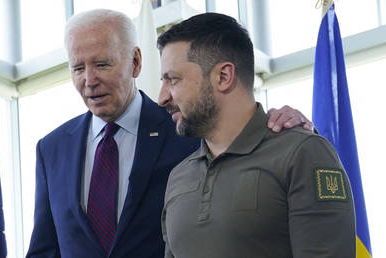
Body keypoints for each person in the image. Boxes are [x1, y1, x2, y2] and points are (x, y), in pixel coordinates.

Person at [26, 9, 313, 258]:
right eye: (78, 68)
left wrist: (284, 124)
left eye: (102, 64)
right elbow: (45, 248)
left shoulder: (189, 128)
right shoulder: (51, 149)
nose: (89, 80)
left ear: (136, 62)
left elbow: (241, 127)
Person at [157, 12, 356, 258]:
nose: (162, 97)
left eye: (173, 80)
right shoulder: (178, 176)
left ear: (223, 77)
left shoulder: (302, 154)